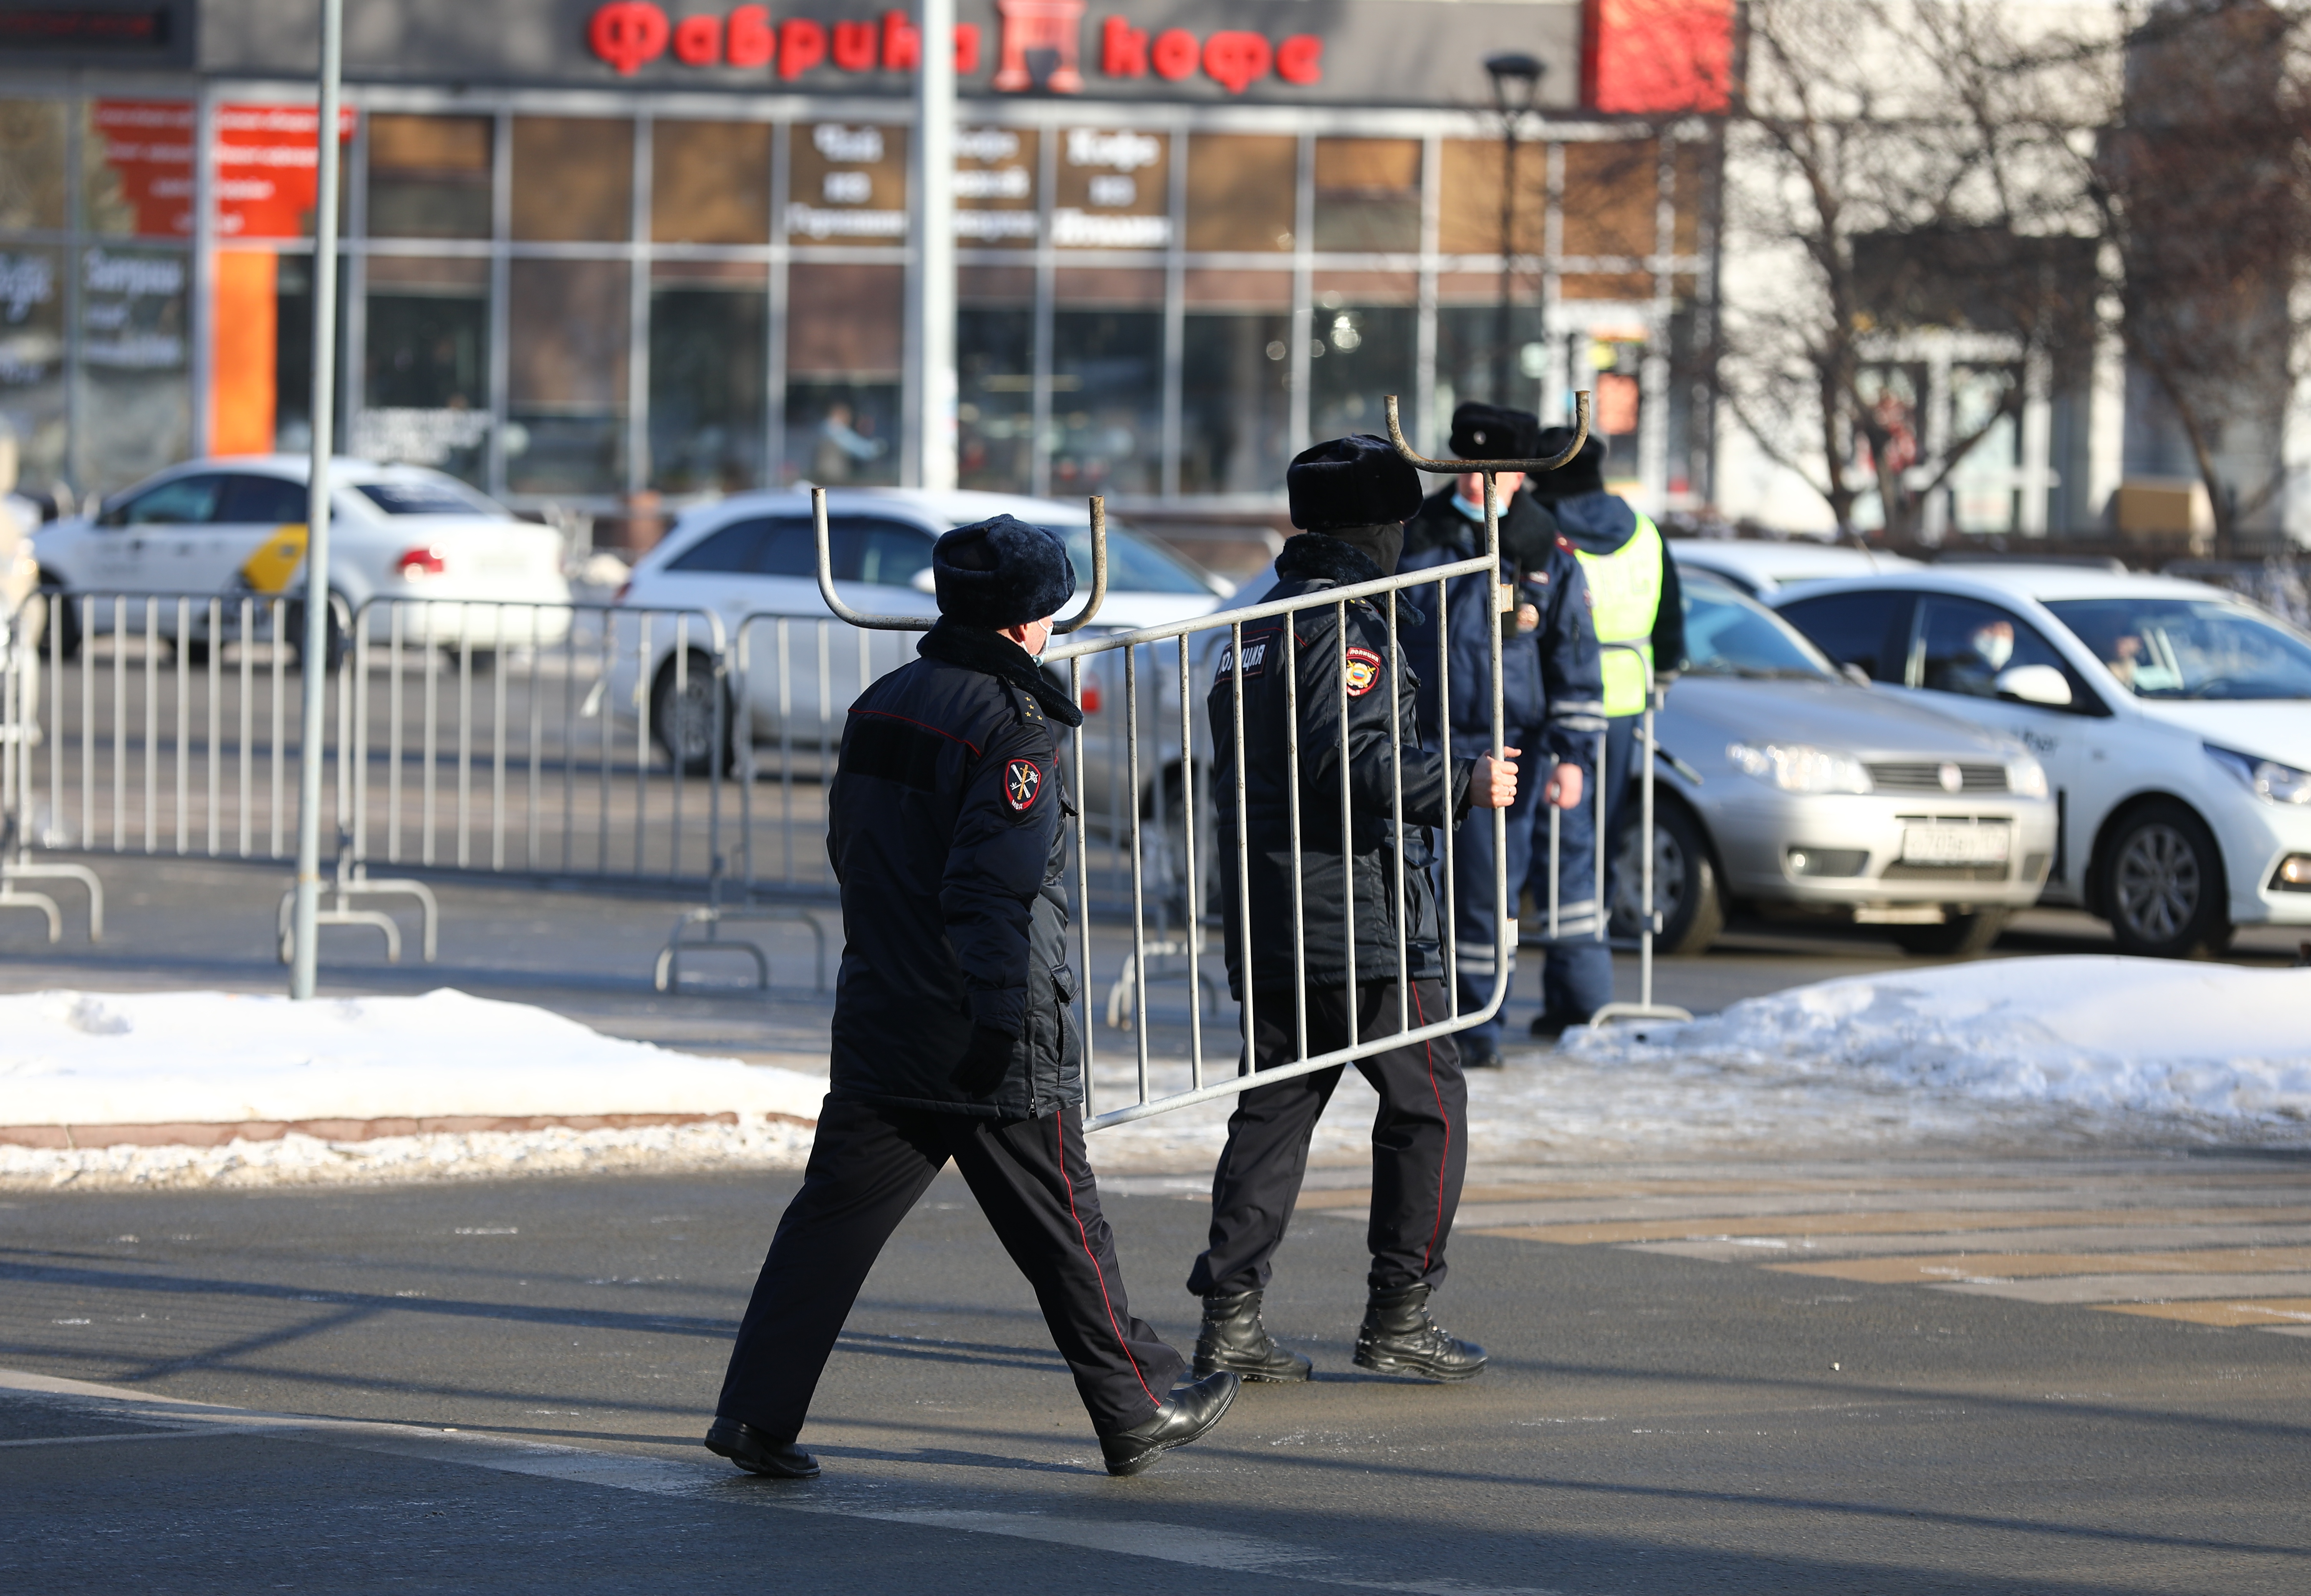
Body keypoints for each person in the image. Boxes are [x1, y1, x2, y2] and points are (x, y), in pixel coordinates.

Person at [707, 514, 1238, 1481]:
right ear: (1025, 621)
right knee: (1067, 1220)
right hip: (982, 1021)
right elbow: (992, 887)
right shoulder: (1016, 724)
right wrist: (1001, 1016)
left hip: (883, 1006)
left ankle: (754, 1413)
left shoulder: (883, 702)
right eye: (1049, 611)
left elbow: (855, 854)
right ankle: (1138, 1401)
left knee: (830, 1222)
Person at [1189, 435, 1520, 1387]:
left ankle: (1231, 1319)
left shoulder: (1258, 624)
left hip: (1273, 908)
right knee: (1430, 1106)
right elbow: (1351, 766)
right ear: (1378, 529)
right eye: (1400, 525)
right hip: (1355, 915)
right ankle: (1399, 1312)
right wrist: (1464, 780)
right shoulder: (1341, 625)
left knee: (1276, 1112)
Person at [1400, 404, 1602, 1070]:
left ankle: (1476, 1025)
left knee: (1485, 897)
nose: (1480, 483)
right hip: (1418, 744)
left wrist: (1571, 758)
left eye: (1497, 471)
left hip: (1506, 750)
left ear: (1521, 475)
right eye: (1468, 468)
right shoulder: (1416, 536)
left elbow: (1573, 663)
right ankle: (1415, 1022)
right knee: (1413, 888)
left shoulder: (1543, 550)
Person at [1522, 429, 1686, 1038]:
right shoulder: (1643, 530)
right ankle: (1582, 993)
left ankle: (1561, 996)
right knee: (1595, 848)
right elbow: (1670, 625)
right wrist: (1658, 680)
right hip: (1624, 705)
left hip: (1551, 709)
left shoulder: (1535, 525)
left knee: (1548, 852)